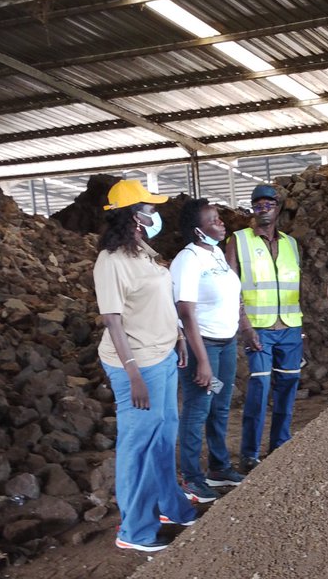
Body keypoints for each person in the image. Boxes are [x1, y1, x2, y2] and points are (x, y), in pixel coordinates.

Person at [93, 179, 196, 553]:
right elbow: (113, 321)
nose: (156, 215)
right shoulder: (111, 262)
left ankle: (172, 507)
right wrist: (133, 373)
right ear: (135, 216)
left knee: (163, 437)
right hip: (138, 366)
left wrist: (179, 338)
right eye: (150, 210)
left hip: (163, 355)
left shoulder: (142, 252)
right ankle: (135, 531)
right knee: (138, 446)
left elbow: (160, 302)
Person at [225, 183, 303, 473]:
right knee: (259, 387)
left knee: (287, 387)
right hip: (258, 330)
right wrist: (244, 326)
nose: (263, 209)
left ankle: (280, 444)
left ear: (278, 207)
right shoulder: (238, 240)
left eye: (268, 204)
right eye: (257, 205)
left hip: (290, 328)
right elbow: (230, 288)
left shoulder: (290, 244)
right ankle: (249, 454)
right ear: (252, 209)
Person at [170, 198, 244, 503]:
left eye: (219, 218)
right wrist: (201, 361)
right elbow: (186, 313)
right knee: (198, 408)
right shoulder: (187, 260)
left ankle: (218, 468)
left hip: (226, 343)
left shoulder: (214, 253)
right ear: (198, 231)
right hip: (204, 346)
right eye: (213, 220)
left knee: (220, 406)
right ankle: (191, 477)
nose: (221, 223)